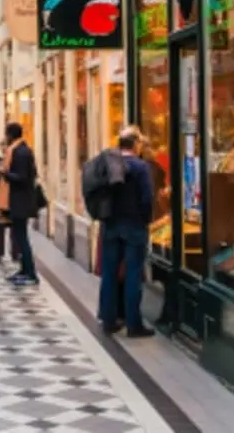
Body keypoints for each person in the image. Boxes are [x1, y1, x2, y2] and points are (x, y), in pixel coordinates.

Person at [99, 127, 155, 338]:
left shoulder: (108, 166)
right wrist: (145, 220)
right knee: (133, 274)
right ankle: (133, 324)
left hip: (111, 226)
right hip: (133, 226)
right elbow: (147, 197)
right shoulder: (140, 167)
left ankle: (109, 320)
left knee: (110, 274)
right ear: (135, 145)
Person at [0, 122, 39, 286]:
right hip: (19, 200)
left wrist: (5, 174)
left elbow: (22, 177)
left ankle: (31, 273)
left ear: (11, 135)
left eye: (7, 134)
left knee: (22, 238)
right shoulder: (23, 150)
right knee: (20, 237)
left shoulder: (20, 153)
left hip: (20, 201)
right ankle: (24, 270)